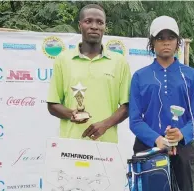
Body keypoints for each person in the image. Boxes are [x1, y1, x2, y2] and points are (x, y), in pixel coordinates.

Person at [129, 15, 194, 190]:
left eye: (171, 37)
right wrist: (157, 139)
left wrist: (181, 134)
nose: (166, 42)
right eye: (160, 38)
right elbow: (135, 120)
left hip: (183, 148)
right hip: (148, 147)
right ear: (152, 42)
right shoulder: (140, 76)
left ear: (178, 42)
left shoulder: (192, 76)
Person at [47, 4, 131, 143]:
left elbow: (127, 106)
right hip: (71, 143)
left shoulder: (119, 62)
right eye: (88, 21)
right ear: (80, 25)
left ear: (105, 26)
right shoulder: (63, 60)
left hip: (106, 143)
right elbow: (52, 104)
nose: (94, 26)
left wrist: (105, 124)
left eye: (100, 22)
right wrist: (71, 114)